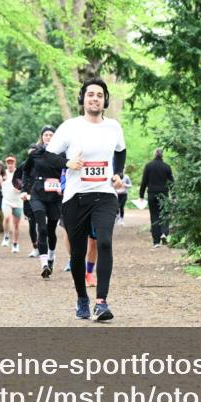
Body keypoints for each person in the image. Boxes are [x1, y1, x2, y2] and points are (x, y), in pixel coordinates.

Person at [39, 78, 125, 322]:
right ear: (83, 99)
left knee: (105, 242)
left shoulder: (114, 127)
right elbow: (48, 157)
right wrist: (67, 163)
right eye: (90, 94)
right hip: (76, 197)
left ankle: (101, 302)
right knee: (77, 253)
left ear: (105, 100)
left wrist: (118, 174)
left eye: (99, 95)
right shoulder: (69, 127)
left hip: (105, 195)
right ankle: (81, 299)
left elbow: (120, 151)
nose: (95, 98)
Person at [21, 126, 64, 279]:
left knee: (51, 230)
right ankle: (44, 264)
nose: (48, 137)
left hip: (55, 196)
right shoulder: (35, 154)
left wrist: (63, 186)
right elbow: (25, 171)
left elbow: (68, 171)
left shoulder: (61, 153)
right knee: (42, 229)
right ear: (42, 137)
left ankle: (51, 257)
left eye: (51, 135)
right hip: (37, 193)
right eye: (46, 135)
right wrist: (24, 190)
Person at [139, 148, 174, 248]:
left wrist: (141, 195)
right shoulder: (167, 167)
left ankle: (156, 241)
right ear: (162, 155)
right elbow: (171, 183)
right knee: (165, 214)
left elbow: (144, 181)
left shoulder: (148, 166)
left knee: (154, 216)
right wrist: (174, 196)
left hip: (152, 194)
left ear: (154, 154)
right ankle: (164, 233)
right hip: (164, 194)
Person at [0, 154, 22, 253]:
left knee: (16, 225)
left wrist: (20, 190)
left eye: (12, 162)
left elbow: (25, 184)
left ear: (15, 163)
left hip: (17, 202)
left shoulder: (19, 173)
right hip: (6, 201)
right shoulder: (3, 174)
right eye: (8, 162)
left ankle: (15, 244)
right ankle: (6, 236)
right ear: (6, 163)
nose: (10, 164)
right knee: (7, 218)